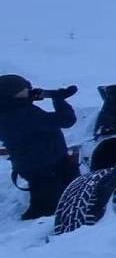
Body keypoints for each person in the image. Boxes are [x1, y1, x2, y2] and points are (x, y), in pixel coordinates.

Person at [0, 75, 80, 220]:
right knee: (47, 210)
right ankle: (34, 234)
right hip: (47, 168)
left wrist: (43, 94)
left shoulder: (8, 111)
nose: (28, 92)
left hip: (35, 166)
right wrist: (58, 99)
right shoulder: (24, 114)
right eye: (24, 90)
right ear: (12, 95)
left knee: (61, 197)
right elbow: (67, 120)